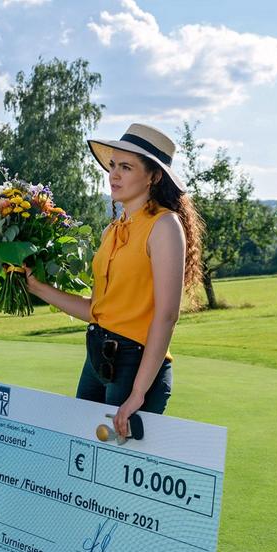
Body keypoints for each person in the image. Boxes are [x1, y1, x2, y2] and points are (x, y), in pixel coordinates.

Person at [27, 123, 202, 438]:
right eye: (112, 166)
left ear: (154, 176)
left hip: (136, 365)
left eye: (126, 167)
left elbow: (166, 315)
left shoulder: (164, 225)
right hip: (97, 357)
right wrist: (38, 287)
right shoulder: (112, 231)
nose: (114, 175)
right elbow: (97, 310)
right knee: (83, 459)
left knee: (113, 472)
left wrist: (138, 393)